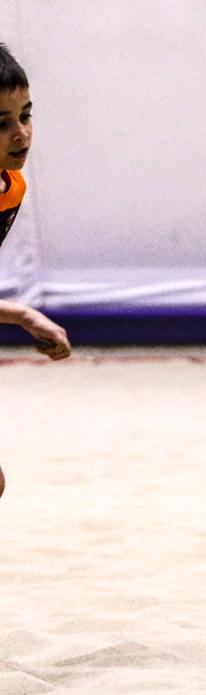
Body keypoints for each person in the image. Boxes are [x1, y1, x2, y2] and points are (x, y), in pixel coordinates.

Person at [0, 41, 72, 498]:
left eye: (25, 116)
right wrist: (22, 314)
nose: (21, 133)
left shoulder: (10, 188)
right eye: (1, 124)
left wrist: (23, 315)